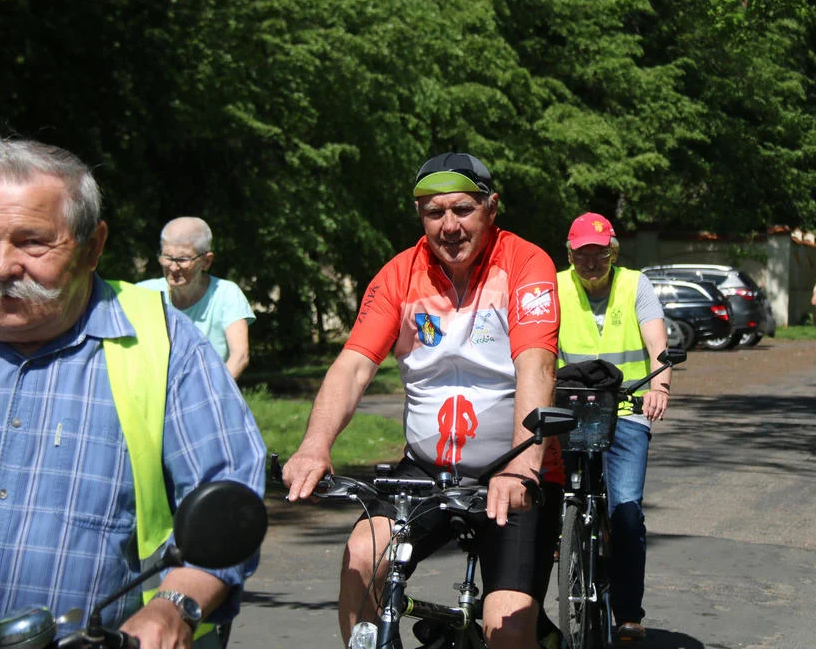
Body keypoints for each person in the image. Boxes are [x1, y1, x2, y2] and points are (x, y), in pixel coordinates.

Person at [0, 125, 267, 648]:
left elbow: (228, 497)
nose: (2, 266)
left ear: (93, 247)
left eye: (31, 242)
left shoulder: (165, 346)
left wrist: (173, 608)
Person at [281, 152, 563, 649]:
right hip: (427, 470)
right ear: (420, 216)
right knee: (361, 560)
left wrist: (523, 465)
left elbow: (536, 365)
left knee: (509, 627)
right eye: (435, 213)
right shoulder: (398, 275)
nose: (449, 226)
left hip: (513, 469)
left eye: (462, 210)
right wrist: (314, 444)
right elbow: (352, 367)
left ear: (490, 209)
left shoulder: (525, 262)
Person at [555, 212, 670, 642]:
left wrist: (660, 387)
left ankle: (627, 612)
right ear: (570, 255)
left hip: (626, 410)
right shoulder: (555, 285)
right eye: (582, 254)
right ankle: (564, 549)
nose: (590, 262)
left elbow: (657, 344)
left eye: (598, 253)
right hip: (570, 408)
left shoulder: (635, 284)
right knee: (548, 499)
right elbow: (539, 345)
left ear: (612, 253)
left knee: (625, 510)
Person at [138, 217, 256, 379]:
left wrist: (213, 395)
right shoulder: (143, 293)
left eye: (183, 259)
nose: (173, 267)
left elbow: (240, 356)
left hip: (209, 392)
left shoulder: (226, 294)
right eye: (167, 257)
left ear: (206, 261)